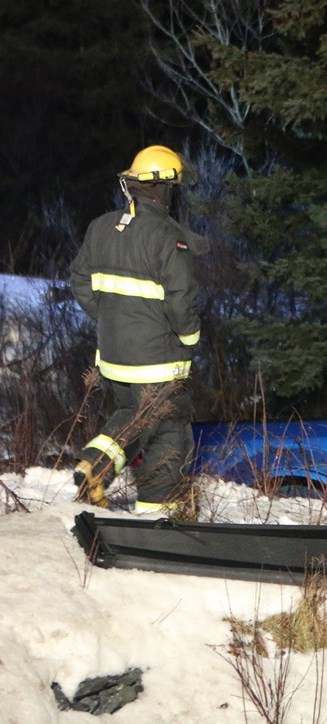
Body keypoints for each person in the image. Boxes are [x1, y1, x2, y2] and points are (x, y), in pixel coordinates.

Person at [70, 145, 208, 513]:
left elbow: (80, 280)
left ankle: (146, 505)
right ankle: (110, 476)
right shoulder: (166, 237)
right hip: (158, 360)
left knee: (140, 417)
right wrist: (190, 338)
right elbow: (181, 301)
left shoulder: (101, 227)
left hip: (114, 359)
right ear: (161, 187)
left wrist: (113, 318)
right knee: (169, 428)